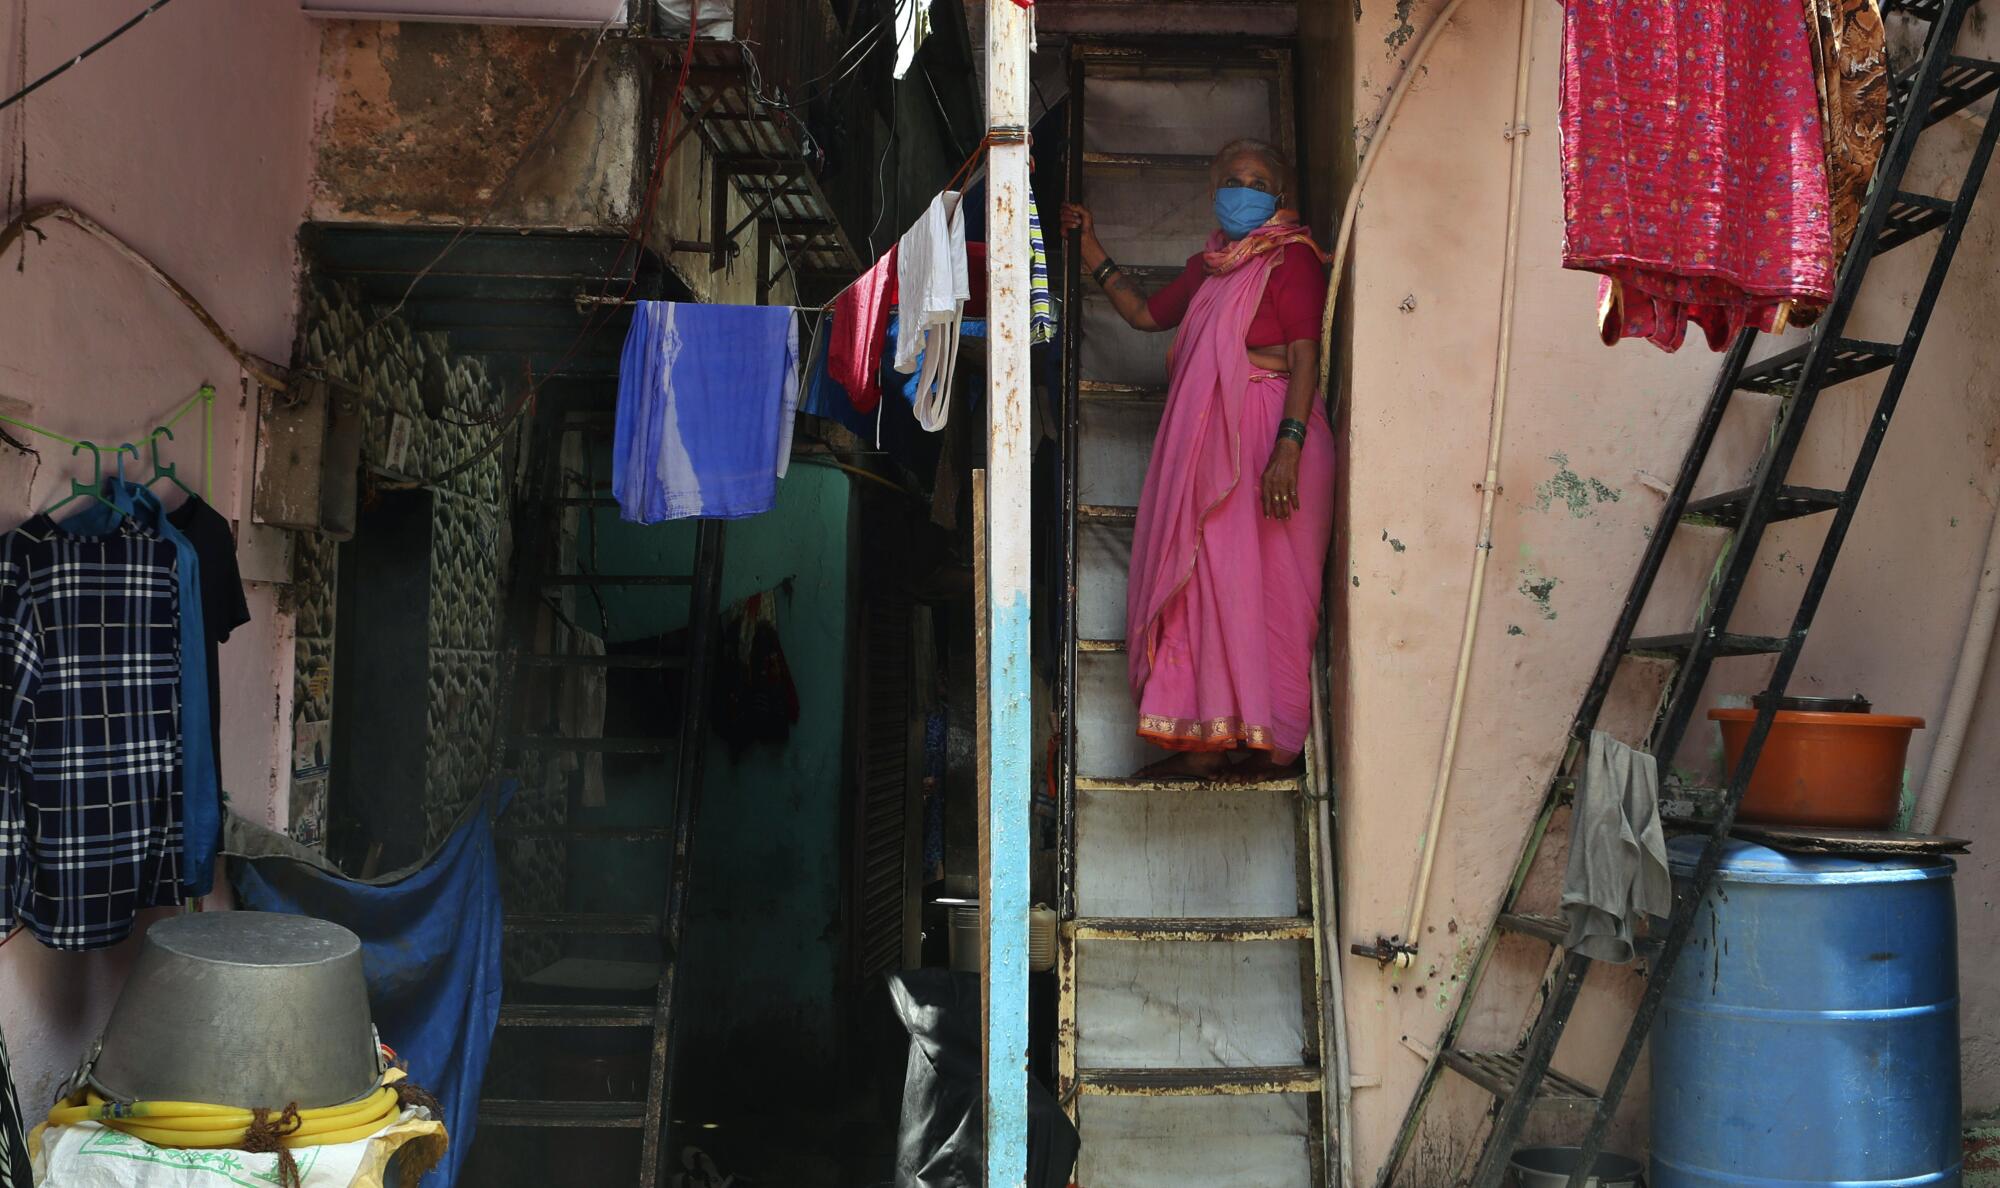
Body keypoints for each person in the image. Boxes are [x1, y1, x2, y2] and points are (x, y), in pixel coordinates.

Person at [1062, 138, 1332, 781]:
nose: (1242, 188)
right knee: (1202, 583)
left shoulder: (1292, 260)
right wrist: (1091, 248)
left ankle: (1267, 748)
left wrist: (1287, 447)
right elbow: (1145, 314)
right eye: (1231, 178)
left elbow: (1304, 356)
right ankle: (1206, 745)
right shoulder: (1209, 267)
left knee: (1273, 592)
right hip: (1211, 445)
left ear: (1280, 197)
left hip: (1271, 437)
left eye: (1257, 180)